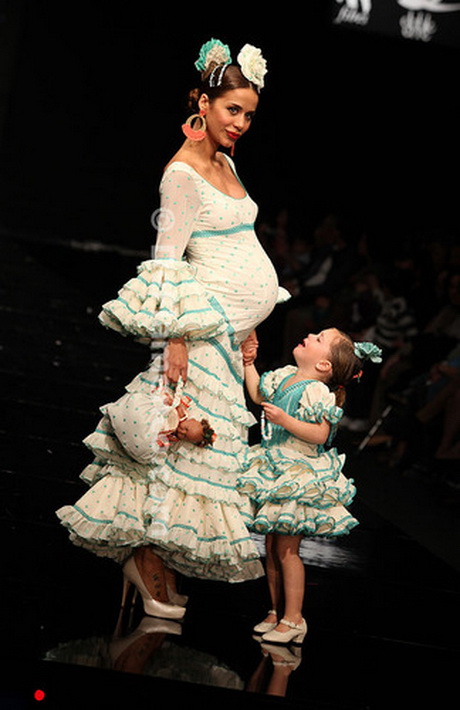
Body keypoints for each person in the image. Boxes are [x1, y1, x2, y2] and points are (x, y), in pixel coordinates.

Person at [56, 38, 289, 617]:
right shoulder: (182, 173)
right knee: (179, 452)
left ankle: (152, 562)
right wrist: (175, 337)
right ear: (203, 104)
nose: (240, 123)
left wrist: (247, 323)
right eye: (232, 110)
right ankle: (146, 562)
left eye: (249, 115)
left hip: (224, 335)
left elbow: (234, 245)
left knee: (202, 458)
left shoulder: (226, 163)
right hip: (196, 335)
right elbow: (167, 259)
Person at [238, 328, 382, 643]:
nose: (311, 334)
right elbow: (259, 395)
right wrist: (249, 363)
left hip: (297, 471)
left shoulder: (317, 391)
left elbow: (320, 434)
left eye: (319, 339)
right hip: (275, 466)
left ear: (324, 367)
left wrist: (285, 421)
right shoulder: (286, 376)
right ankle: (276, 611)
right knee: (273, 546)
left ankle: (294, 618)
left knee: (288, 550)